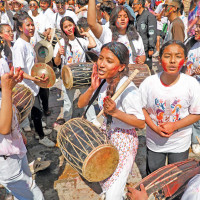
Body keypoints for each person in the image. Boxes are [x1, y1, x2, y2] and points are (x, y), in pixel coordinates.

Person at [78, 42, 145, 200]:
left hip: (124, 141)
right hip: (107, 135)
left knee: (113, 192)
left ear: (121, 67)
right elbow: (80, 104)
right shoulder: (103, 81)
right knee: (105, 178)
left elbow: (141, 123)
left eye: (109, 61)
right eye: (100, 58)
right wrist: (91, 88)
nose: (101, 64)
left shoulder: (129, 90)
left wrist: (116, 112)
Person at [139, 40, 200, 175]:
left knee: (176, 178)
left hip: (180, 143)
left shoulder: (192, 84)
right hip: (154, 143)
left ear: (185, 61)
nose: (172, 61)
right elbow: (142, 108)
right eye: (167, 56)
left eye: (178, 56)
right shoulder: (149, 83)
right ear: (160, 60)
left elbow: (196, 113)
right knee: (155, 177)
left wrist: (175, 125)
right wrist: (155, 128)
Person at [0, 67, 44, 200]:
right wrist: (7, 89)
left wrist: (18, 133)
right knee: (36, 196)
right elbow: (3, 128)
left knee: (26, 191)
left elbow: (8, 112)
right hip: (7, 161)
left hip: (15, 150)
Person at [12, 10, 55, 147]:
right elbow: (18, 71)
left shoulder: (28, 43)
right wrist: (34, 78)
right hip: (27, 87)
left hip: (34, 83)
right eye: (28, 25)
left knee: (39, 110)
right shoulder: (19, 45)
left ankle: (39, 130)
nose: (31, 28)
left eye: (32, 25)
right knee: (36, 112)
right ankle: (41, 136)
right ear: (20, 28)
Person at [54, 16, 98, 123]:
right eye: (66, 27)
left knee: (87, 98)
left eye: (70, 25)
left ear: (74, 26)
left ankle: (93, 120)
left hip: (82, 76)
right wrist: (59, 54)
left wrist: (88, 34)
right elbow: (57, 63)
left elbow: (93, 44)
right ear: (62, 29)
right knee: (68, 102)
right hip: (68, 77)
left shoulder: (81, 41)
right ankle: (67, 121)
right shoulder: (60, 43)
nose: (69, 28)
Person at [87, 0, 146, 64]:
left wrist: (140, 60)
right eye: (119, 17)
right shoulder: (107, 33)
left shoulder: (135, 35)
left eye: (125, 16)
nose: (122, 19)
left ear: (129, 19)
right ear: (114, 19)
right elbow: (92, 23)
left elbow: (142, 54)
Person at [186, 16, 200, 154]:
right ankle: (194, 140)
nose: (196, 29)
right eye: (196, 26)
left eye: (199, 26)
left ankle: (196, 141)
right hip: (191, 87)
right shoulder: (192, 45)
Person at [131, 0, 157, 69]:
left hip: (146, 49)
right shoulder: (138, 17)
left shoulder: (149, 16)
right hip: (140, 49)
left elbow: (152, 32)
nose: (132, 6)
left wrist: (151, 48)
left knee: (147, 69)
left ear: (140, 5)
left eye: (134, 4)